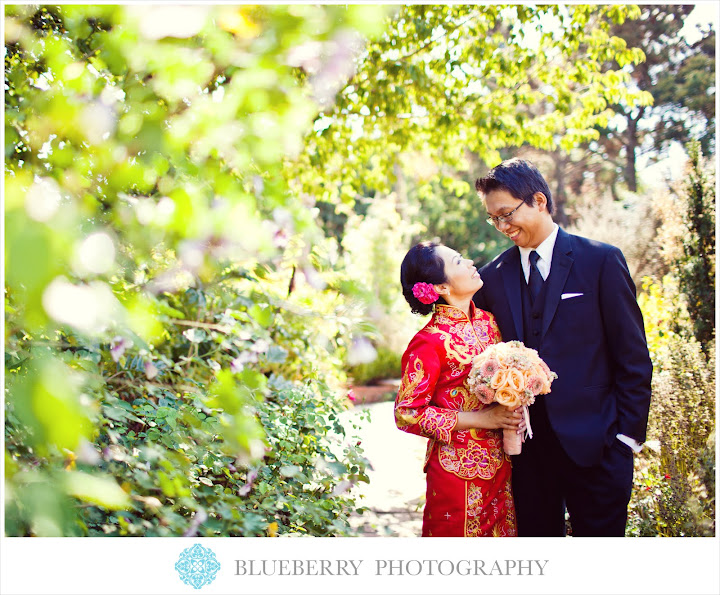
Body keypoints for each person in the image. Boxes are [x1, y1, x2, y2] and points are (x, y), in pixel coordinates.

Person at [473, 157, 652, 537]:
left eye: (507, 214)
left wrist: (626, 439)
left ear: (539, 200)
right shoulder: (491, 277)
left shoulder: (601, 260)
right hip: (526, 456)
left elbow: (633, 355)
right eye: (494, 219)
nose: (503, 226)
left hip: (600, 447)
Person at [395, 241, 523, 537]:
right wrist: (482, 419)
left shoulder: (490, 323)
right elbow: (407, 413)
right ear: (440, 287)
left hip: (502, 463)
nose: (470, 263)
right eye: (458, 262)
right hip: (456, 471)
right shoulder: (429, 342)